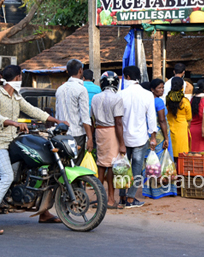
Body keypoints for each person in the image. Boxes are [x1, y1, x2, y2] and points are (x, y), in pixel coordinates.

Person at [0, 65, 68, 235]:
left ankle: (43, 213)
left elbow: (33, 110)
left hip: (13, 142)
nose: (21, 79)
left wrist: (56, 120)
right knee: (7, 176)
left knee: (39, 167)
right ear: (17, 77)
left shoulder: (16, 97)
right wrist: (14, 123)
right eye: (21, 77)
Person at [117, 66, 157, 208]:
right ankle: (130, 198)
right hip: (140, 137)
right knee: (137, 169)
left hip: (123, 138)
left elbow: (118, 120)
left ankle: (122, 196)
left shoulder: (121, 94)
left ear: (127, 77)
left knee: (123, 168)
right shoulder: (147, 95)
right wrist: (153, 137)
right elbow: (152, 118)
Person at [91, 71, 126, 209]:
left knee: (101, 164)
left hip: (99, 132)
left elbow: (92, 119)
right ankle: (110, 199)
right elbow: (118, 122)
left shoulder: (95, 98)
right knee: (111, 165)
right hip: (112, 131)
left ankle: (99, 197)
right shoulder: (117, 98)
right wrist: (122, 143)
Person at [142, 79, 177, 199]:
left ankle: (149, 190)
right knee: (162, 162)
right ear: (152, 89)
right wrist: (166, 138)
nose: (162, 90)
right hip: (160, 134)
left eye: (162, 88)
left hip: (148, 134)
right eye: (159, 88)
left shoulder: (145, 100)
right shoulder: (158, 101)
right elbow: (162, 120)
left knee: (150, 162)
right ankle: (163, 190)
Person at [55, 60, 93, 164]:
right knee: (75, 166)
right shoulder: (81, 89)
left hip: (61, 134)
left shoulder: (60, 89)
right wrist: (90, 138)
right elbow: (85, 117)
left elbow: (57, 114)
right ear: (81, 71)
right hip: (77, 135)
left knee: (64, 165)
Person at [166, 77, 192, 158]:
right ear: (182, 87)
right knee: (182, 153)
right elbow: (189, 118)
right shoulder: (185, 101)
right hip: (182, 129)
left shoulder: (167, 99)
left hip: (169, 127)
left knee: (171, 152)